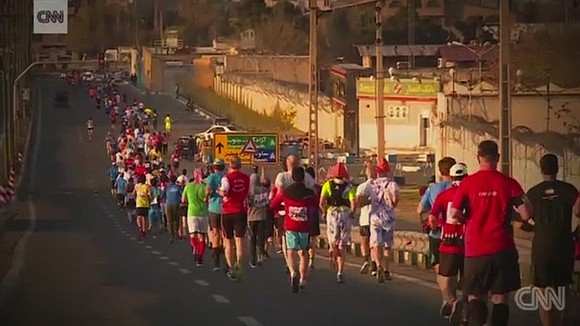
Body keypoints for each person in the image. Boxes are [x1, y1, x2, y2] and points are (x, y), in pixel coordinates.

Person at [450, 140, 533, 326]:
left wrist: (467, 220)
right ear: (497, 158)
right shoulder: (509, 183)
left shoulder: (468, 183)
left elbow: (454, 214)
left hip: (476, 250)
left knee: (476, 296)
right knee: (501, 298)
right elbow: (526, 214)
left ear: (478, 158)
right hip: (502, 249)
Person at [525, 154, 580, 326]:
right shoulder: (569, 189)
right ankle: (564, 319)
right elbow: (578, 212)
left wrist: (538, 228)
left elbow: (523, 220)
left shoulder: (533, 192)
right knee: (563, 285)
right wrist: (576, 232)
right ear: (557, 168)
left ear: (541, 169)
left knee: (544, 290)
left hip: (542, 245)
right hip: (564, 243)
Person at [428, 163, 469, 325]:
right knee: (468, 283)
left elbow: (432, 218)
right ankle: (466, 315)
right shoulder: (471, 194)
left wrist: (435, 225)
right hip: (469, 244)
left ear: (451, 178)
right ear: (466, 176)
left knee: (446, 281)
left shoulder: (444, 195)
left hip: (449, 242)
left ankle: (452, 302)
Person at [417, 156, 457, 310]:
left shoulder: (433, 189)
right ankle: (455, 297)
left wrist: (424, 221)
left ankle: (447, 298)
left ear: (440, 172)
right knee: (454, 268)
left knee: (440, 267)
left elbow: (420, 209)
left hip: (437, 233)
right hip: (457, 234)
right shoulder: (461, 187)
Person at [271, 167, 317, 293]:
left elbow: (273, 205)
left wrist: (283, 208)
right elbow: (315, 207)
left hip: (290, 226)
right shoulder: (309, 193)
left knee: (291, 250)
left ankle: (293, 273)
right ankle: (303, 279)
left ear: (292, 178)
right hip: (304, 226)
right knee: (303, 253)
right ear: (303, 177)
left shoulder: (286, 192)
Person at [319, 161, 356, 283]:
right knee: (342, 245)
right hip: (345, 214)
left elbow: (322, 202)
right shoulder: (349, 186)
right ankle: (340, 272)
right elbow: (353, 203)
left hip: (332, 214)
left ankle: (333, 254)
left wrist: (324, 212)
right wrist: (352, 212)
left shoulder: (327, 185)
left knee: (333, 242)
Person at [366, 158, 399, 282]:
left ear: (377, 172)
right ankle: (386, 270)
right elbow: (395, 201)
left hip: (375, 216)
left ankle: (378, 265)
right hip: (388, 218)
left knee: (375, 244)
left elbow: (364, 197)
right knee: (387, 246)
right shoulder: (392, 185)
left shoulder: (372, 184)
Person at [219, 156, 250, 280]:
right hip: (241, 211)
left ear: (229, 165)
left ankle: (231, 268)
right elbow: (250, 194)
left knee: (228, 241)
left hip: (228, 212)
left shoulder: (226, 178)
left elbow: (225, 191)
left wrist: (219, 192)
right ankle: (239, 264)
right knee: (240, 240)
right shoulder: (246, 178)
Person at [182, 168, 210, 266]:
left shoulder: (188, 186)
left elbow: (183, 200)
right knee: (202, 237)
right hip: (203, 213)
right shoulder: (205, 187)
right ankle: (200, 257)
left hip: (192, 213)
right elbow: (207, 199)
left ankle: (195, 249)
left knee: (193, 235)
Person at [356, 162, 377, 275]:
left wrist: (367, 201)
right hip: (378, 218)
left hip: (365, 217)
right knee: (374, 241)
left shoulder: (362, 187)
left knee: (365, 239)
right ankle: (374, 265)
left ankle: (366, 260)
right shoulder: (380, 186)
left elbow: (358, 203)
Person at [205, 159, 226, 271]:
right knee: (225, 234)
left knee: (215, 233)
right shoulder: (225, 177)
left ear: (214, 167)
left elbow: (208, 190)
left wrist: (206, 197)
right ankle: (227, 258)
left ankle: (216, 261)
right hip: (225, 208)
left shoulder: (211, 177)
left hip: (213, 208)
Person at [247, 172, 270, 268]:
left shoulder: (249, 191)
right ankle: (260, 255)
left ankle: (253, 260)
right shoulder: (264, 190)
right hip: (262, 217)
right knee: (261, 238)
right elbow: (267, 203)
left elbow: (247, 203)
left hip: (252, 218)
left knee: (252, 239)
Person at [304, 166, 321, 271]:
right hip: (314, 214)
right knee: (313, 238)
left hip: (305, 214)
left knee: (305, 237)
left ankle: (305, 258)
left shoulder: (304, 188)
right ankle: (311, 260)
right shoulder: (318, 187)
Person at [164, 175, 182, 243]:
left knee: (170, 220)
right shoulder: (178, 187)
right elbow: (181, 194)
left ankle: (171, 235)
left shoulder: (167, 187)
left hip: (168, 204)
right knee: (176, 219)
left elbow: (163, 195)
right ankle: (176, 232)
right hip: (176, 204)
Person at [134, 174, 152, 241]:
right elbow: (150, 196)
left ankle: (140, 228)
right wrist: (150, 201)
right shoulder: (147, 186)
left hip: (139, 204)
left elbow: (134, 193)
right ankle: (144, 230)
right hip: (145, 204)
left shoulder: (137, 186)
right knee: (144, 218)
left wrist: (135, 198)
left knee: (138, 217)